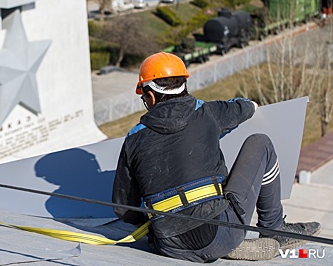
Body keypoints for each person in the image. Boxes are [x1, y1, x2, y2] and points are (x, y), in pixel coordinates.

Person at [112, 52, 321, 262]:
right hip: (221, 234)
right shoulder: (208, 113)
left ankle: (217, 246)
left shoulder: (134, 138)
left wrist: (155, 228)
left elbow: (123, 207)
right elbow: (246, 107)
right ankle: (274, 229)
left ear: (151, 96)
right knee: (261, 143)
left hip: (169, 247)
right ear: (184, 85)